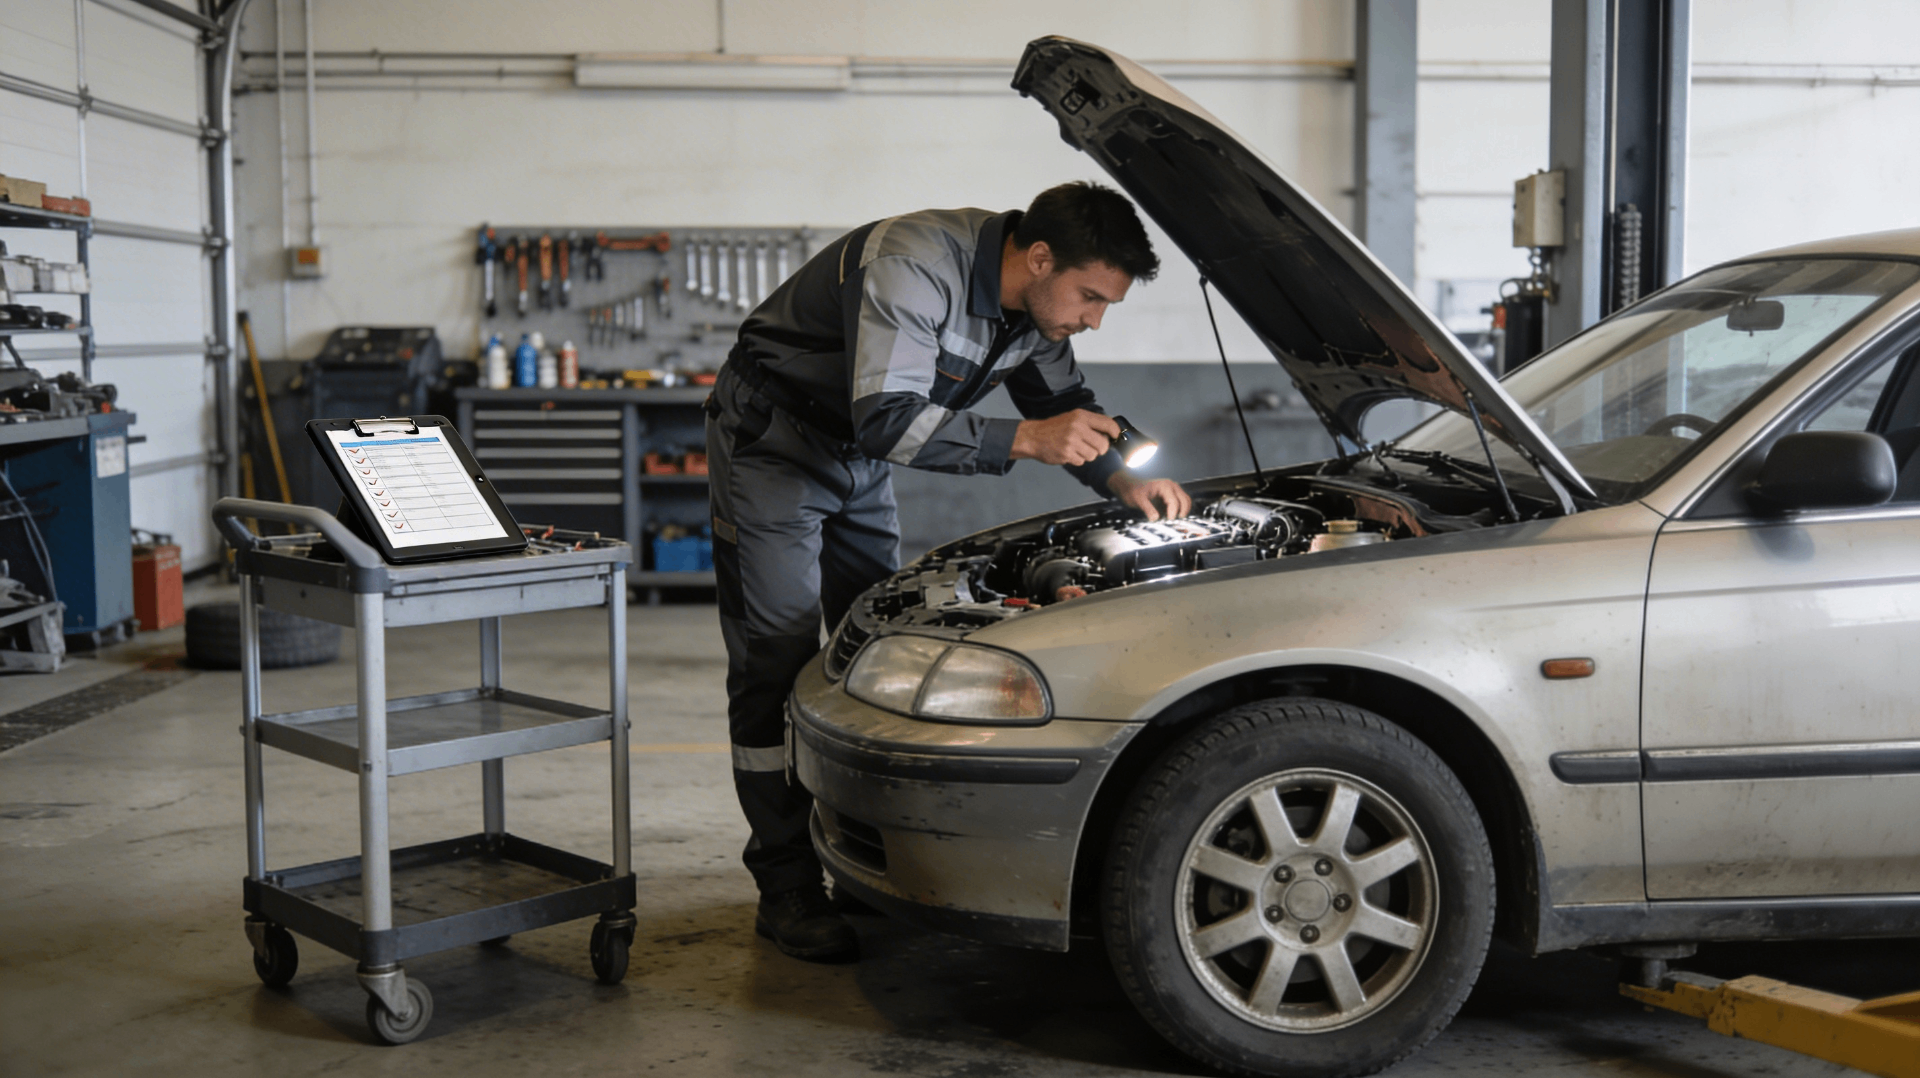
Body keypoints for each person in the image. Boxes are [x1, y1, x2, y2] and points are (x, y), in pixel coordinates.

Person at [704, 181, 1192, 961]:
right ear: (1039, 258)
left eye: (1106, 307)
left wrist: (1121, 478)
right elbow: (891, 420)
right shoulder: (914, 264)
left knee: (875, 643)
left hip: (858, 461)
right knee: (777, 657)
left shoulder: (1034, 310)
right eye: (1090, 297)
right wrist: (1027, 440)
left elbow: (1064, 398)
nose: (1093, 319)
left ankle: (858, 857)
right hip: (776, 445)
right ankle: (785, 883)